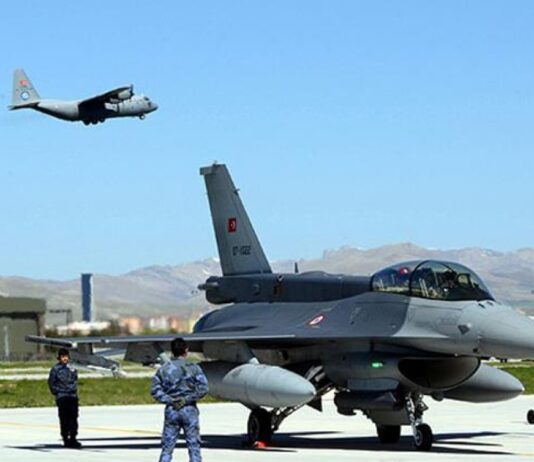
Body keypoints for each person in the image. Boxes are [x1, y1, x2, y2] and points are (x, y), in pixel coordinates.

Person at [151, 338, 209, 462]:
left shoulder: (164, 369)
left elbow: (155, 390)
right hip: (189, 410)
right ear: (186, 350)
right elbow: (203, 388)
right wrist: (186, 399)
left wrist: (171, 400)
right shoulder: (193, 368)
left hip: (172, 410)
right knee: (194, 446)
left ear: (172, 351)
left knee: (167, 448)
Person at [47, 348, 82, 449]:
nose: (65, 359)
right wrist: (58, 392)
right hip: (62, 397)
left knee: (74, 418)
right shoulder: (55, 369)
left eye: (66, 357)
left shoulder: (72, 368)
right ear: (59, 358)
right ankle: (65, 438)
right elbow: (51, 383)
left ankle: (73, 438)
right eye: (63, 357)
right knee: (64, 418)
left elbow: (75, 379)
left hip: (72, 396)